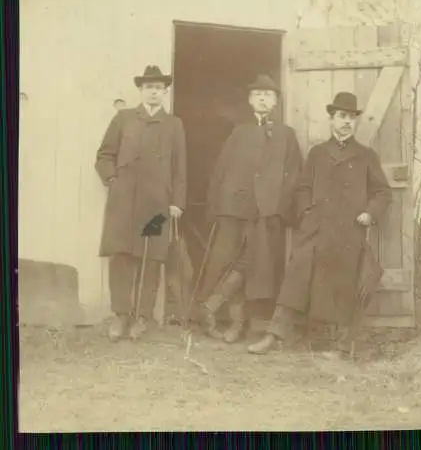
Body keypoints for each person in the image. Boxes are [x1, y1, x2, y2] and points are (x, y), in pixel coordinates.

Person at [247, 91, 392, 358]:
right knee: (296, 277)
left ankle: (339, 346)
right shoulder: (318, 153)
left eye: (351, 118)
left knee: (344, 285)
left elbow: (383, 192)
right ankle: (275, 334)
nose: (347, 122)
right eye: (341, 116)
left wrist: (369, 213)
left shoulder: (365, 156)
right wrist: (305, 213)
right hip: (316, 229)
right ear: (332, 119)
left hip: (348, 232)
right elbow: (302, 187)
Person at [198, 74, 303, 344]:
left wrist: (281, 209)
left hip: (268, 213)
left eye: (268, 95)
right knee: (232, 261)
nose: (262, 99)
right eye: (257, 95)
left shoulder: (286, 135)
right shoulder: (239, 133)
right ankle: (235, 322)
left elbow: (294, 176)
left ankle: (224, 312)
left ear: (276, 101)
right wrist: (217, 206)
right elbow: (221, 170)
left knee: (259, 267)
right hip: (235, 209)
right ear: (249, 100)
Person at [95, 65, 186, 341]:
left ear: (165, 92)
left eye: (158, 88)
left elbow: (180, 167)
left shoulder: (174, 124)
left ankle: (142, 317)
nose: (154, 92)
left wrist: (177, 202)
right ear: (141, 90)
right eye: (149, 88)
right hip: (124, 201)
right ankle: (121, 315)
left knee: (151, 257)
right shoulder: (123, 119)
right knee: (121, 256)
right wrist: (113, 180)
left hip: (157, 203)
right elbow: (104, 155)